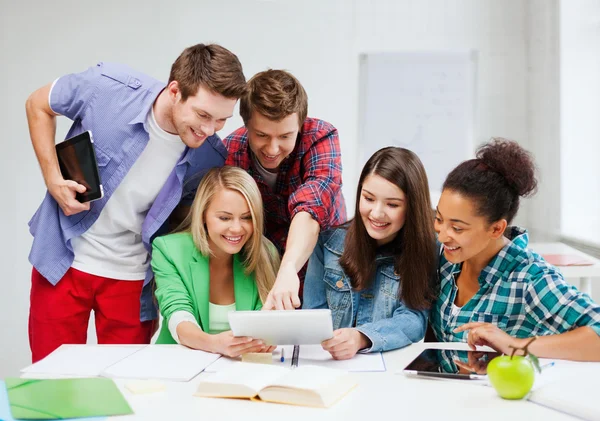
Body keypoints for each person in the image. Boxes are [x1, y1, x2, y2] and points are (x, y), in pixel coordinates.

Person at [26, 43, 246, 362]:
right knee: (50, 380)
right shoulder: (108, 88)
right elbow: (38, 104)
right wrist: (52, 178)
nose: (210, 129)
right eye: (202, 114)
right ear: (174, 91)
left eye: (222, 120)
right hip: (65, 257)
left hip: (132, 278)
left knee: (126, 389)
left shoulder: (210, 155)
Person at [430, 138, 600, 361]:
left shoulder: (530, 278)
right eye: (439, 219)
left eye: (457, 228)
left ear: (496, 228)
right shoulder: (447, 260)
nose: (442, 235)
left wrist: (515, 346)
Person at [224, 69, 346, 310]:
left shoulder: (321, 137)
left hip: (327, 265)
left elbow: (309, 209)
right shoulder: (229, 152)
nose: (272, 148)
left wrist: (288, 268)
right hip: (261, 269)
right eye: (261, 135)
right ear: (246, 124)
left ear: (300, 125)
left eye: (285, 136)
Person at [303, 147, 437, 359]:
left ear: (412, 207)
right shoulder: (328, 244)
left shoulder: (428, 248)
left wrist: (362, 337)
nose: (376, 213)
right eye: (368, 198)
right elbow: (312, 316)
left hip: (388, 372)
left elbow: (414, 319)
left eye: (392, 204)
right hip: (332, 366)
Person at [152, 166, 280, 357]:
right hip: (178, 364)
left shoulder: (265, 252)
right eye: (224, 218)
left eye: (246, 218)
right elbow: (177, 314)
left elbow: (266, 321)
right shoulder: (169, 249)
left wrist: (267, 337)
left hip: (242, 369)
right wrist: (213, 343)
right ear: (203, 214)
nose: (236, 228)